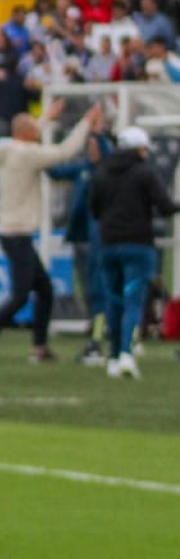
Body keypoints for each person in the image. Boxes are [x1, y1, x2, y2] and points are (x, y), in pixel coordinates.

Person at [0, 100, 99, 364]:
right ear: (27, 133)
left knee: (44, 289)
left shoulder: (8, 149)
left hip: (12, 231)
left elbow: (27, 134)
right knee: (21, 294)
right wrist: (86, 123)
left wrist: (46, 117)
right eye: (36, 129)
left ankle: (40, 347)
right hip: (17, 232)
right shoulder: (26, 155)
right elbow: (64, 151)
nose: (39, 131)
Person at [90, 125, 176, 380]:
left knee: (114, 301)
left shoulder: (102, 172)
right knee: (134, 301)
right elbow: (165, 206)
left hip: (108, 245)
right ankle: (127, 352)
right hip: (138, 244)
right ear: (140, 149)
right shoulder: (144, 173)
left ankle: (114, 357)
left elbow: (95, 209)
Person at [48, 129, 114, 366]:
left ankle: (103, 334)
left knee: (103, 288)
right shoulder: (83, 168)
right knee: (88, 288)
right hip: (82, 237)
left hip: (102, 239)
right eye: (90, 145)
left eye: (96, 146)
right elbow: (54, 171)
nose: (91, 150)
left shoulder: (108, 171)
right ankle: (96, 325)